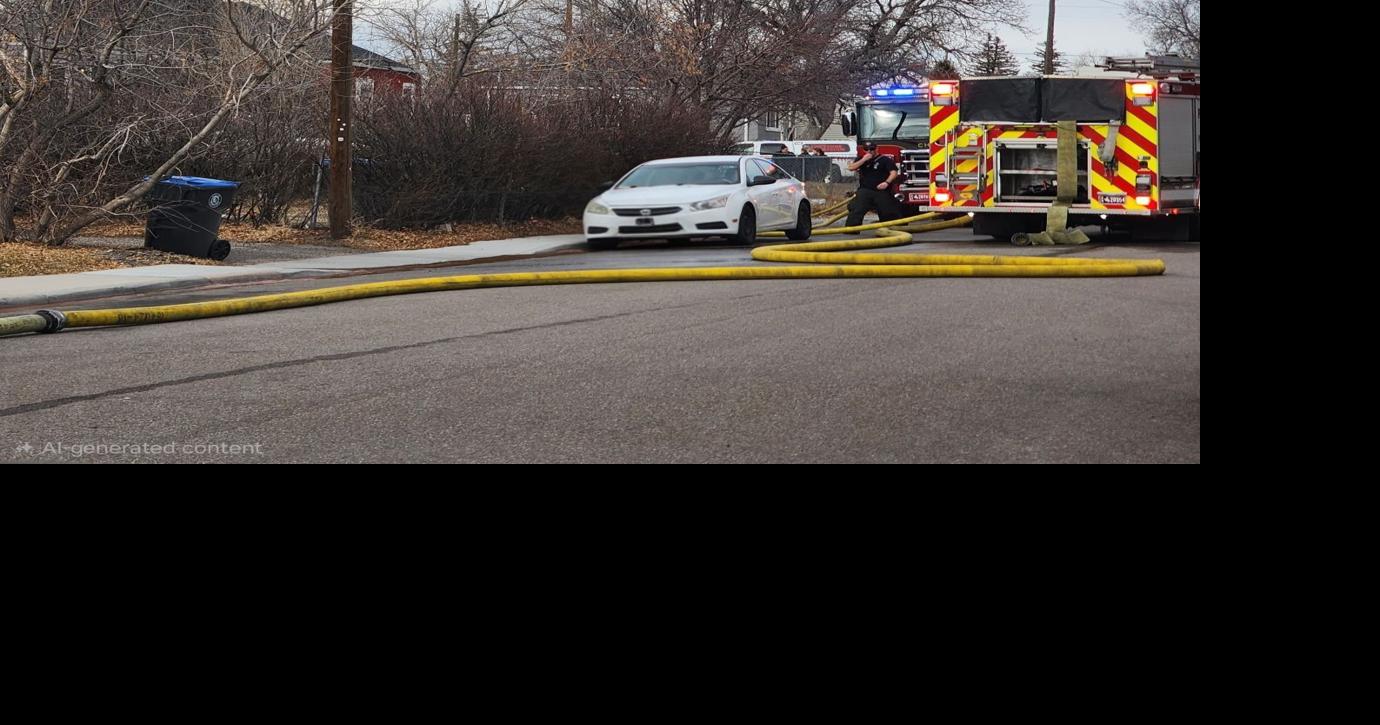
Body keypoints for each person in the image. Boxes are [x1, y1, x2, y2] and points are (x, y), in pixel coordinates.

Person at [844, 141, 902, 229]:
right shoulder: (861, 159)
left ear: (876, 149)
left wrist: (886, 182)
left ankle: (891, 228)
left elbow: (894, 172)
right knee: (857, 209)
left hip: (881, 190)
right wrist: (864, 160)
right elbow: (851, 167)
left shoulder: (885, 160)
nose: (869, 151)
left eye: (871, 149)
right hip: (865, 190)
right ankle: (852, 229)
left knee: (888, 211)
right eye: (866, 149)